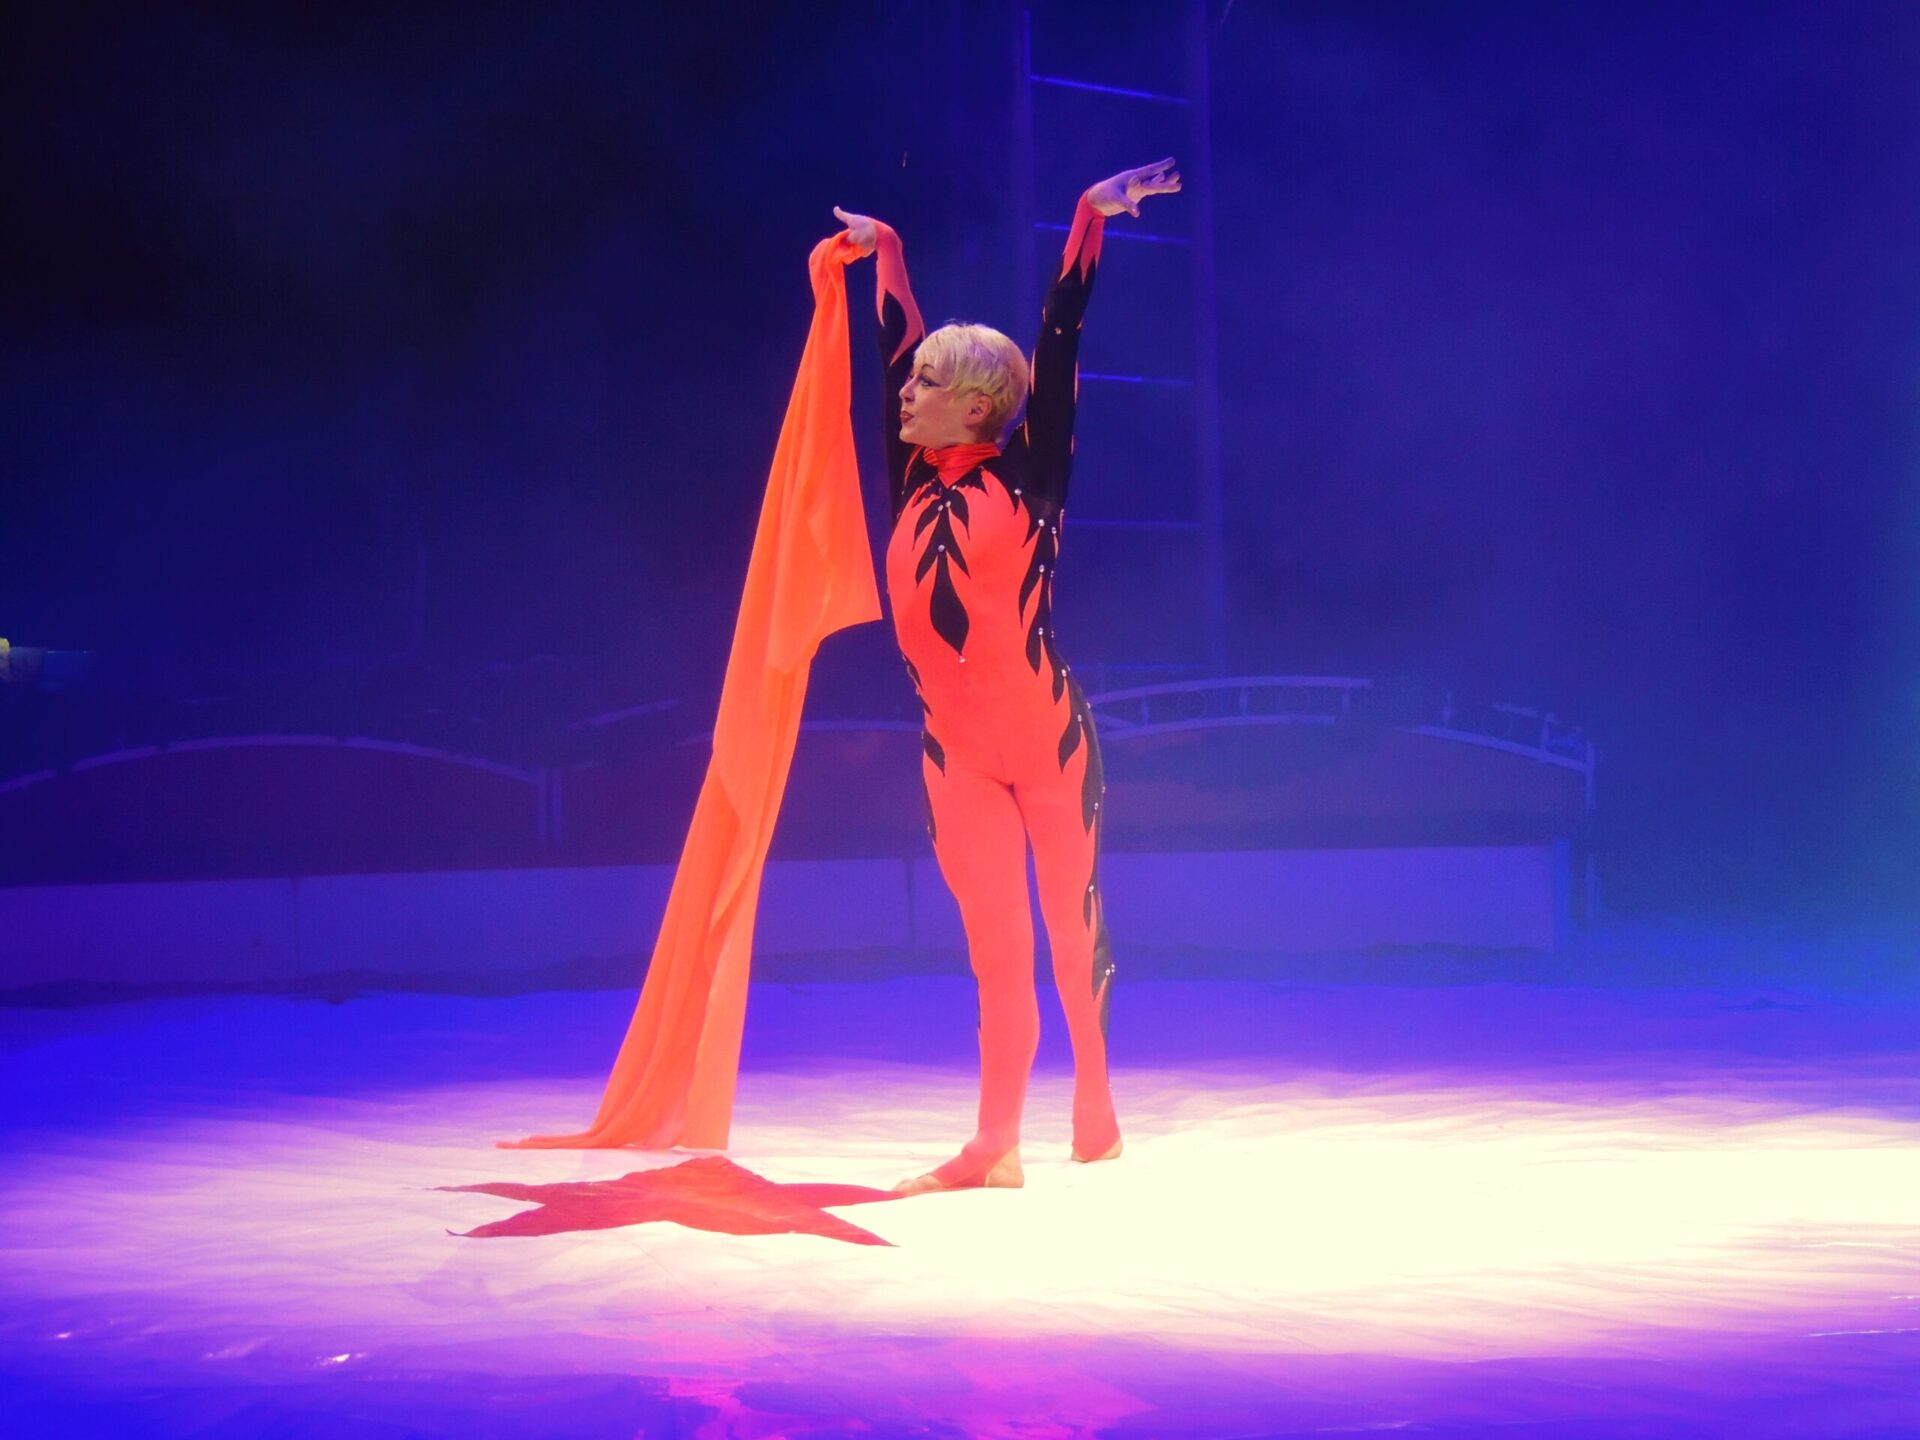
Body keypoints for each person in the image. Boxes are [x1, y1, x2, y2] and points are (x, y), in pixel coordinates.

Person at [832, 158, 1181, 1194]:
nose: (905, 390)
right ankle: (995, 1144)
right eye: (910, 381)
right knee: (995, 950)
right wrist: (889, 252)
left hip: (1049, 742)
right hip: (956, 755)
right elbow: (888, 344)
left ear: (981, 403)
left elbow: (1061, 337)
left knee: (1071, 930)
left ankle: (1096, 1104)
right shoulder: (909, 475)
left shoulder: (1033, 472)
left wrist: (1088, 216)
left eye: (928, 384)